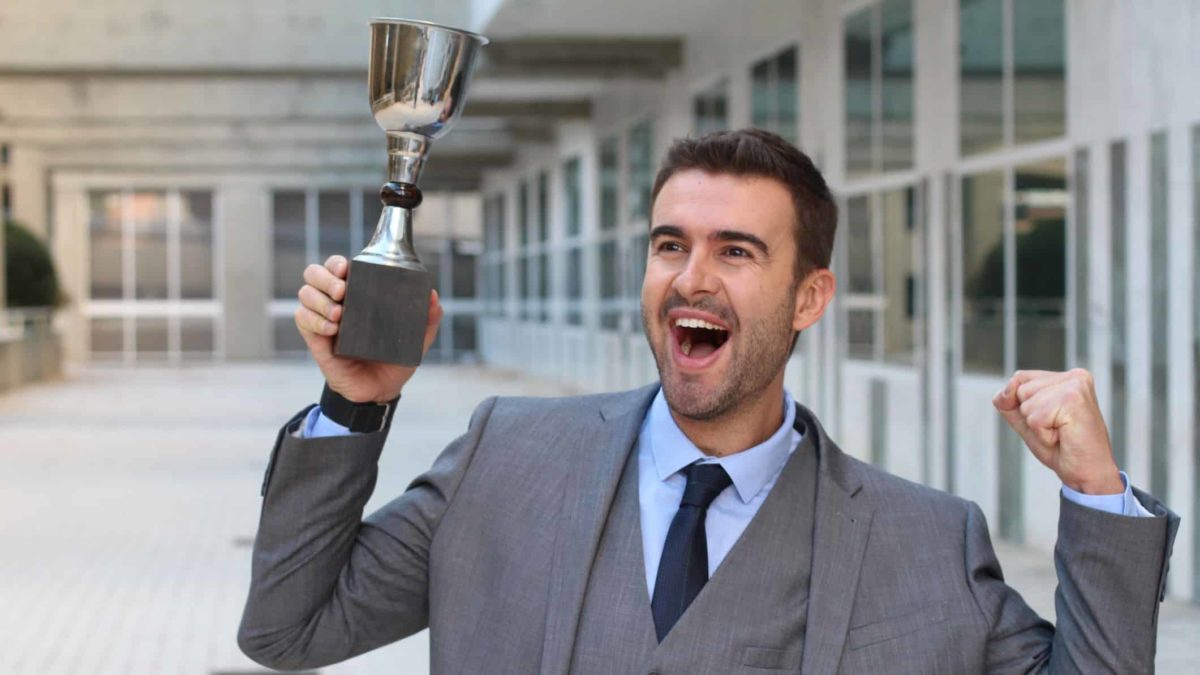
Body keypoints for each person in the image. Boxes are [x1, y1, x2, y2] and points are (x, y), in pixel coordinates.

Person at [238, 129, 1179, 674]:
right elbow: (289, 625)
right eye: (668, 244)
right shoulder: (505, 459)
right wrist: (352, 406)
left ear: (810, 296)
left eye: (737, 250)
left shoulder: (926, 539)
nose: (691, 279)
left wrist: (1096, 493)